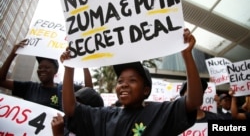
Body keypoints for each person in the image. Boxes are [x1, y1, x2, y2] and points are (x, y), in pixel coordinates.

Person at [62, 28, 204, 135]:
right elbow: (70, 108)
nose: (124, 84)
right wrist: (69, 67)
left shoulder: (158, 113)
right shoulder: (104, 116)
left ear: (146, 90)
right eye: (120, 81)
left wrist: (187, 55)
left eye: (132, 80)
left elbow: (194, 101)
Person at [0, 39, 92, 110]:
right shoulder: (29, 88)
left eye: (47, 68)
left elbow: (90, 92)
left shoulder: (65, 90)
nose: (42, 70)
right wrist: (13, 54)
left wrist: (82, 62)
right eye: (40, 67)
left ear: (55, 71)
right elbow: (1, 81)